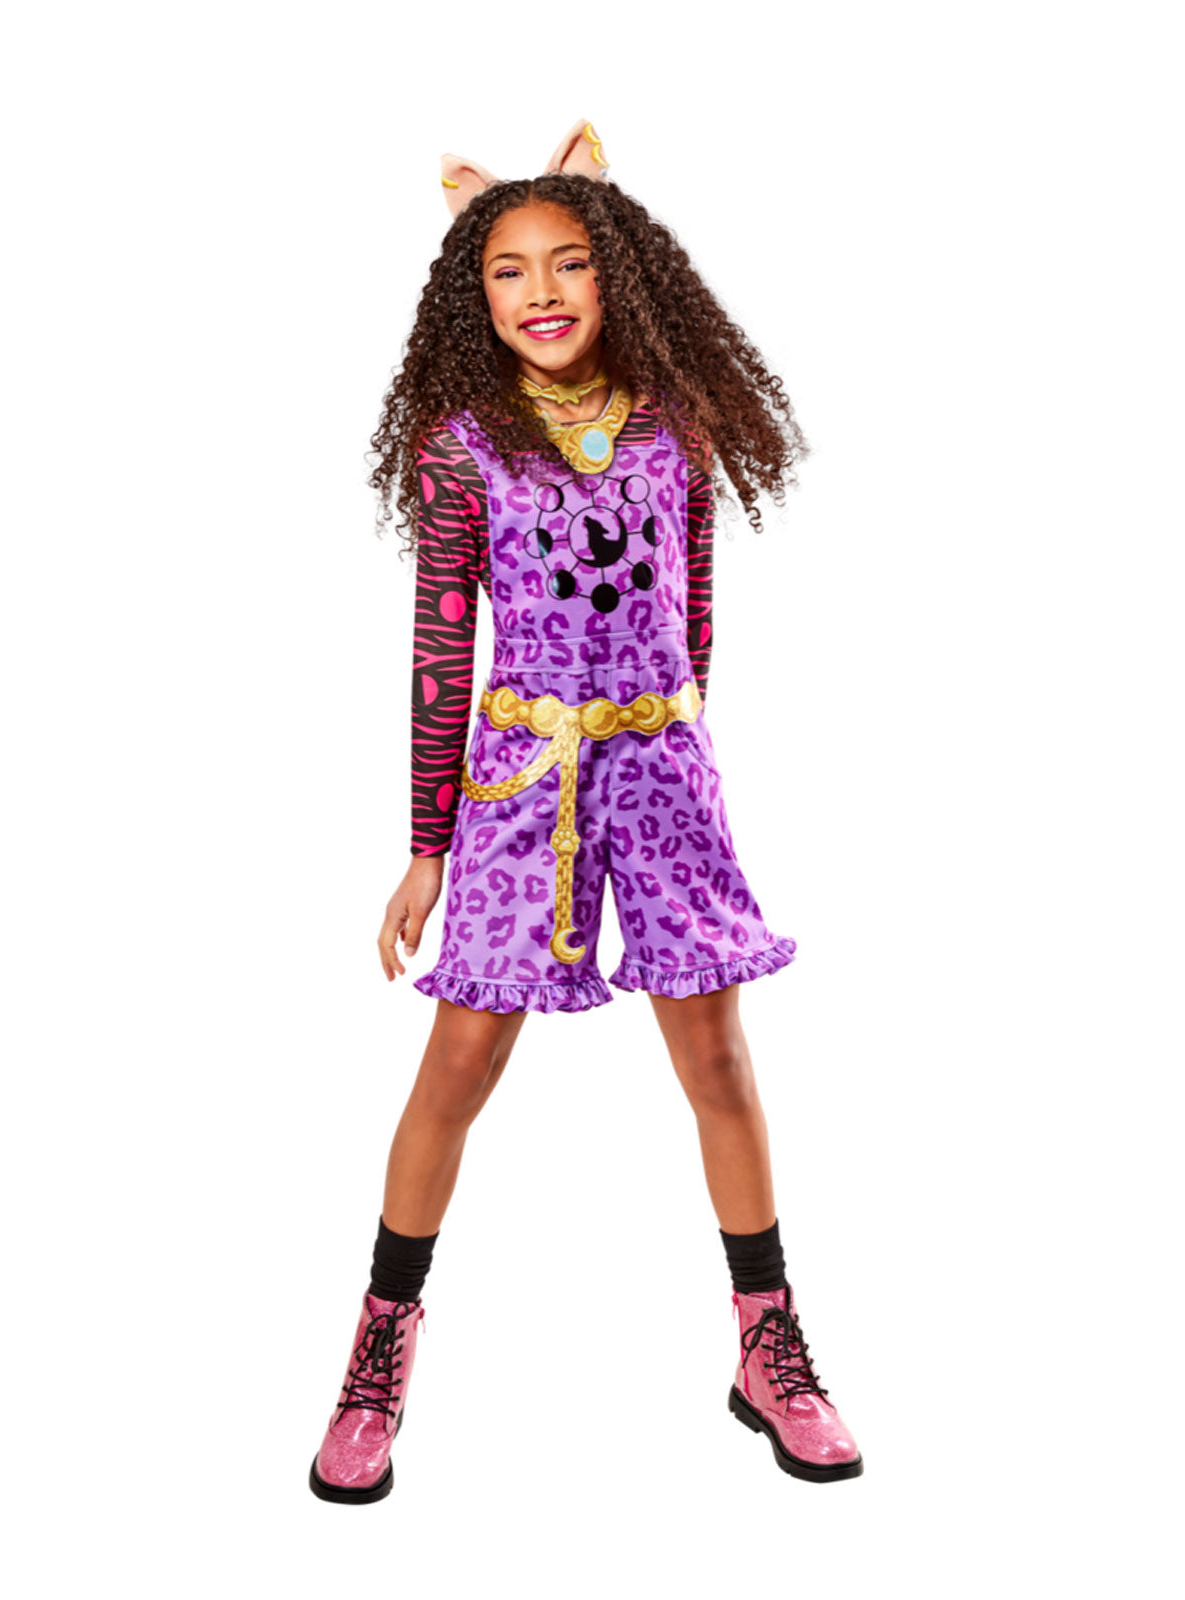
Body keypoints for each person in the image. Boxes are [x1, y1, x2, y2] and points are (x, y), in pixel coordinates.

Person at [308, 118, 863, 1504]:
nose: (541, 292)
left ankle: (769, 1342)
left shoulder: (677, 425)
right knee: (458, 1059)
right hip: (517, 787)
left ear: (618, 270)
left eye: (568, 262)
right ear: (474, 295)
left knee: (717, 1058)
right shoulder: (460, 449)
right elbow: (442, 651)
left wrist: (681, 758)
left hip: (663, 772)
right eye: (508, 271)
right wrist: (427, 846)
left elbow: (696, 608)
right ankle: (379, 1347)